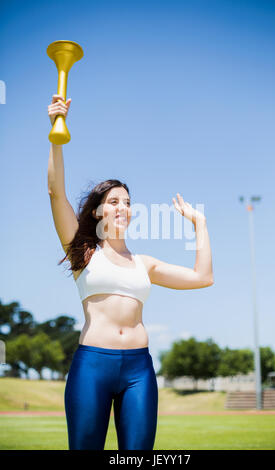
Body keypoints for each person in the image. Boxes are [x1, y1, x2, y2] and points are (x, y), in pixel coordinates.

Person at [47, 94, 214, 450]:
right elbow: (55, 191)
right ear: (97, 212)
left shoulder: (145, 264)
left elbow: (203, 278)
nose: (122, 206)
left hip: (139, 370)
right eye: (113, 201)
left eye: (127, 201)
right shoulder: (83, 252)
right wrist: (56, 133)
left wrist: (199, 223)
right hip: (92, 364)